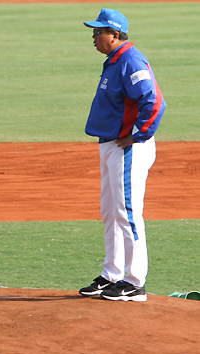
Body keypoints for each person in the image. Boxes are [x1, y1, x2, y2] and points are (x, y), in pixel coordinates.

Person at [79, 9, 166, 302]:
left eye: (98, 32)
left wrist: (138, 134)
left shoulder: (130, 60)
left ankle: (135, 281)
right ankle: (112, 274)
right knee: (110, 210)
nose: (93, 37)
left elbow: (154, 101)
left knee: (127, 213)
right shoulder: (115, 60)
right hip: (111, 144)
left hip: (127, 148)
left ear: (114, 35)